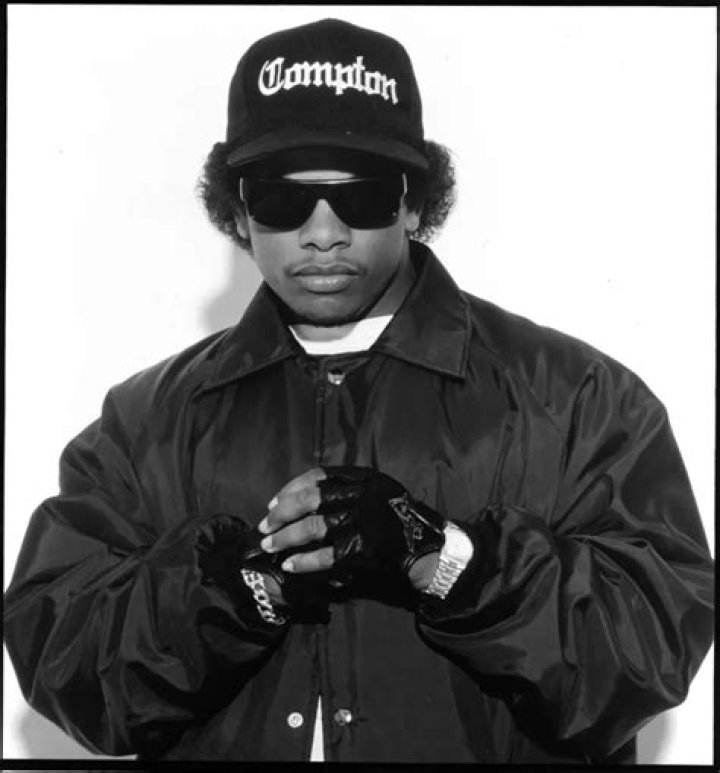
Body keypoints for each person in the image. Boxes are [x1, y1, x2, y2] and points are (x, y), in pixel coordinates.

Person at [3, 17, 714, 764]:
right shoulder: (145, 420)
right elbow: (65, 666)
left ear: (414, 203)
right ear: (237, 212)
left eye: (362, 196)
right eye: (281, 199)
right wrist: (238, 590)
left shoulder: (579, 399)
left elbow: (647, 661)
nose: (322, 233)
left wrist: (446, 561)